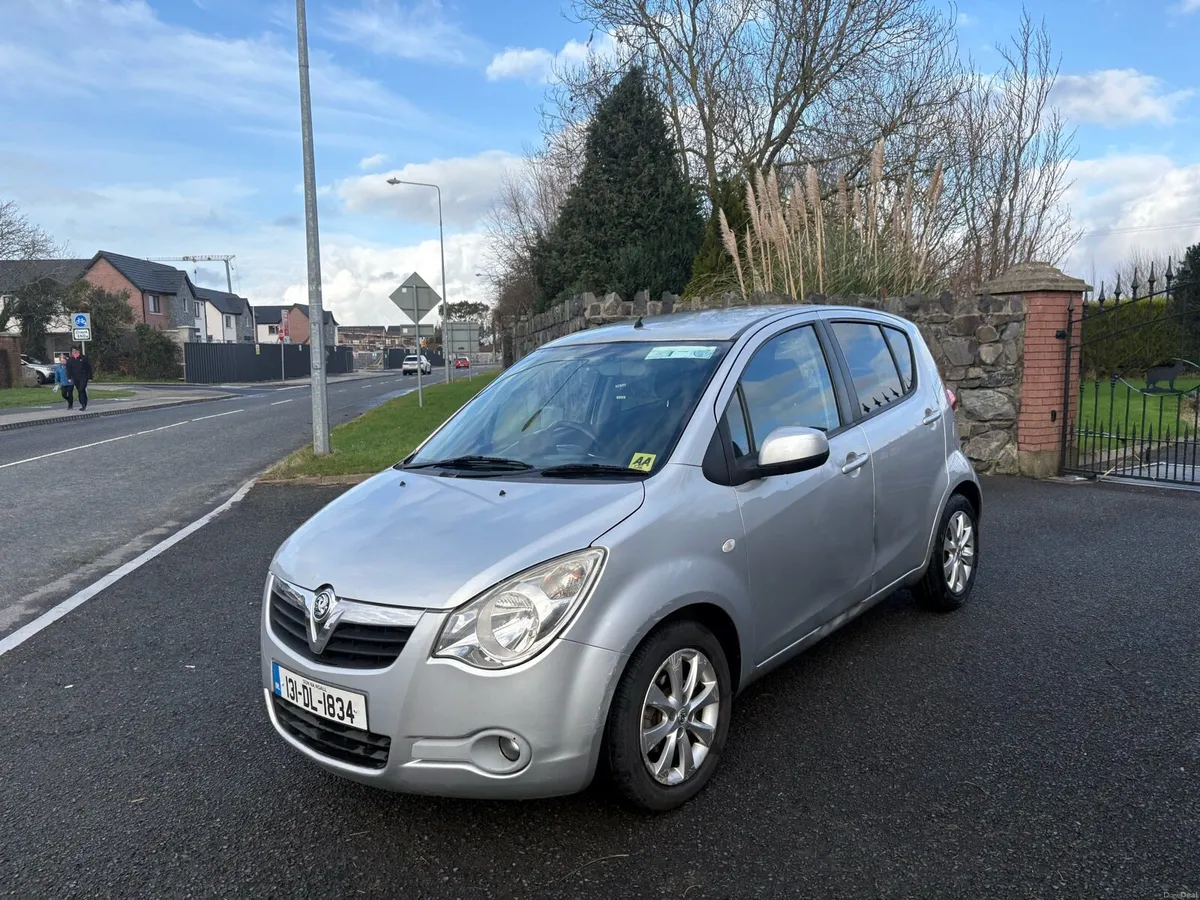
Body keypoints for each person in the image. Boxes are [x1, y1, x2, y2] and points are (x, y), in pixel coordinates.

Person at [65, 347, 93, 411]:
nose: (74, 352)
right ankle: (82, 402)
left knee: (81, 389)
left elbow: (89, 367)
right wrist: (69, 377)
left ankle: (83, 404)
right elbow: (68, 369)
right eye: (73, 351)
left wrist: (90, 376)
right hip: (75, 377)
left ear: (78, 351)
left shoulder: (84, 358)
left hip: (84, 377)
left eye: (76, 351)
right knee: (80, 390)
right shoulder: (70, 360)